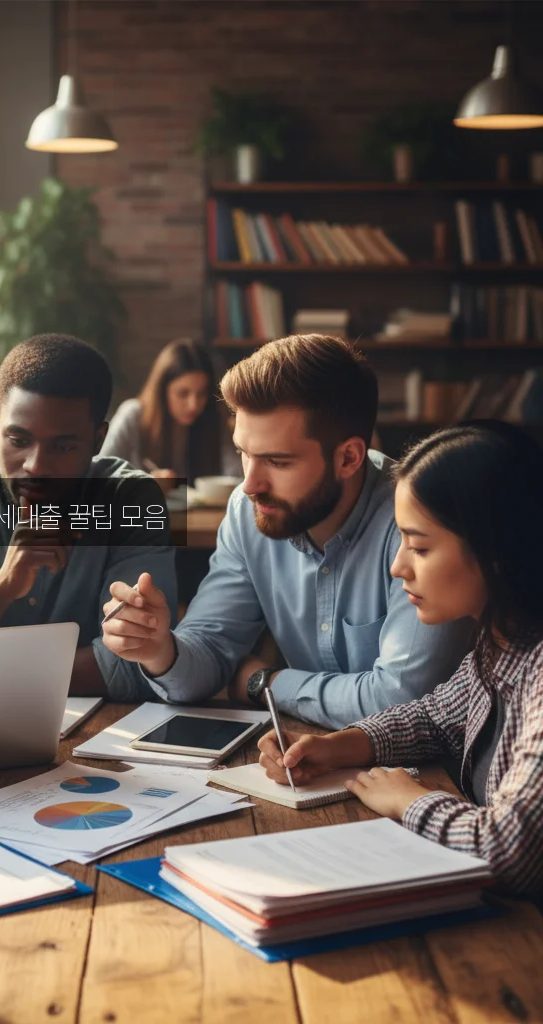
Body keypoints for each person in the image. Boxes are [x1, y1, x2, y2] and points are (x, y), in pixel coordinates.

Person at [101, 334, 474, 729]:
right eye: (244, 454)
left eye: (277, 462)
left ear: (348, 457)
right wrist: (160, 650)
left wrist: (265, 682)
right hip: (304, 757)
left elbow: (399, 701)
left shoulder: (417, 527)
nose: (249, 485)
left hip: (421, 772)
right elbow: (209, 650)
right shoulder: (249, 513)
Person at [258, 422, 543, 896]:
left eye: (421, 546)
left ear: (496, 550)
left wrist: (410, 800)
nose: (398, 566)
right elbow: (434, 717)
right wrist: (339, 747)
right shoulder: (503, 644)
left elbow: (508, 850)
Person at [0, 333, 177, 700]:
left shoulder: (132, 502)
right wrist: (2, 587)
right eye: (18, 439)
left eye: (63, 446)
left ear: (97, 440)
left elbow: (139, 660)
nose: (36, 466)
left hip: (97, 737)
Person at [101, 339, 227, 481]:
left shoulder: (211, 417)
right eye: (182, 394)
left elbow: (235, 473)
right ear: (161, 391)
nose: (194, 405)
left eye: (202, 393)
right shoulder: (133, 415)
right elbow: (100, 474)